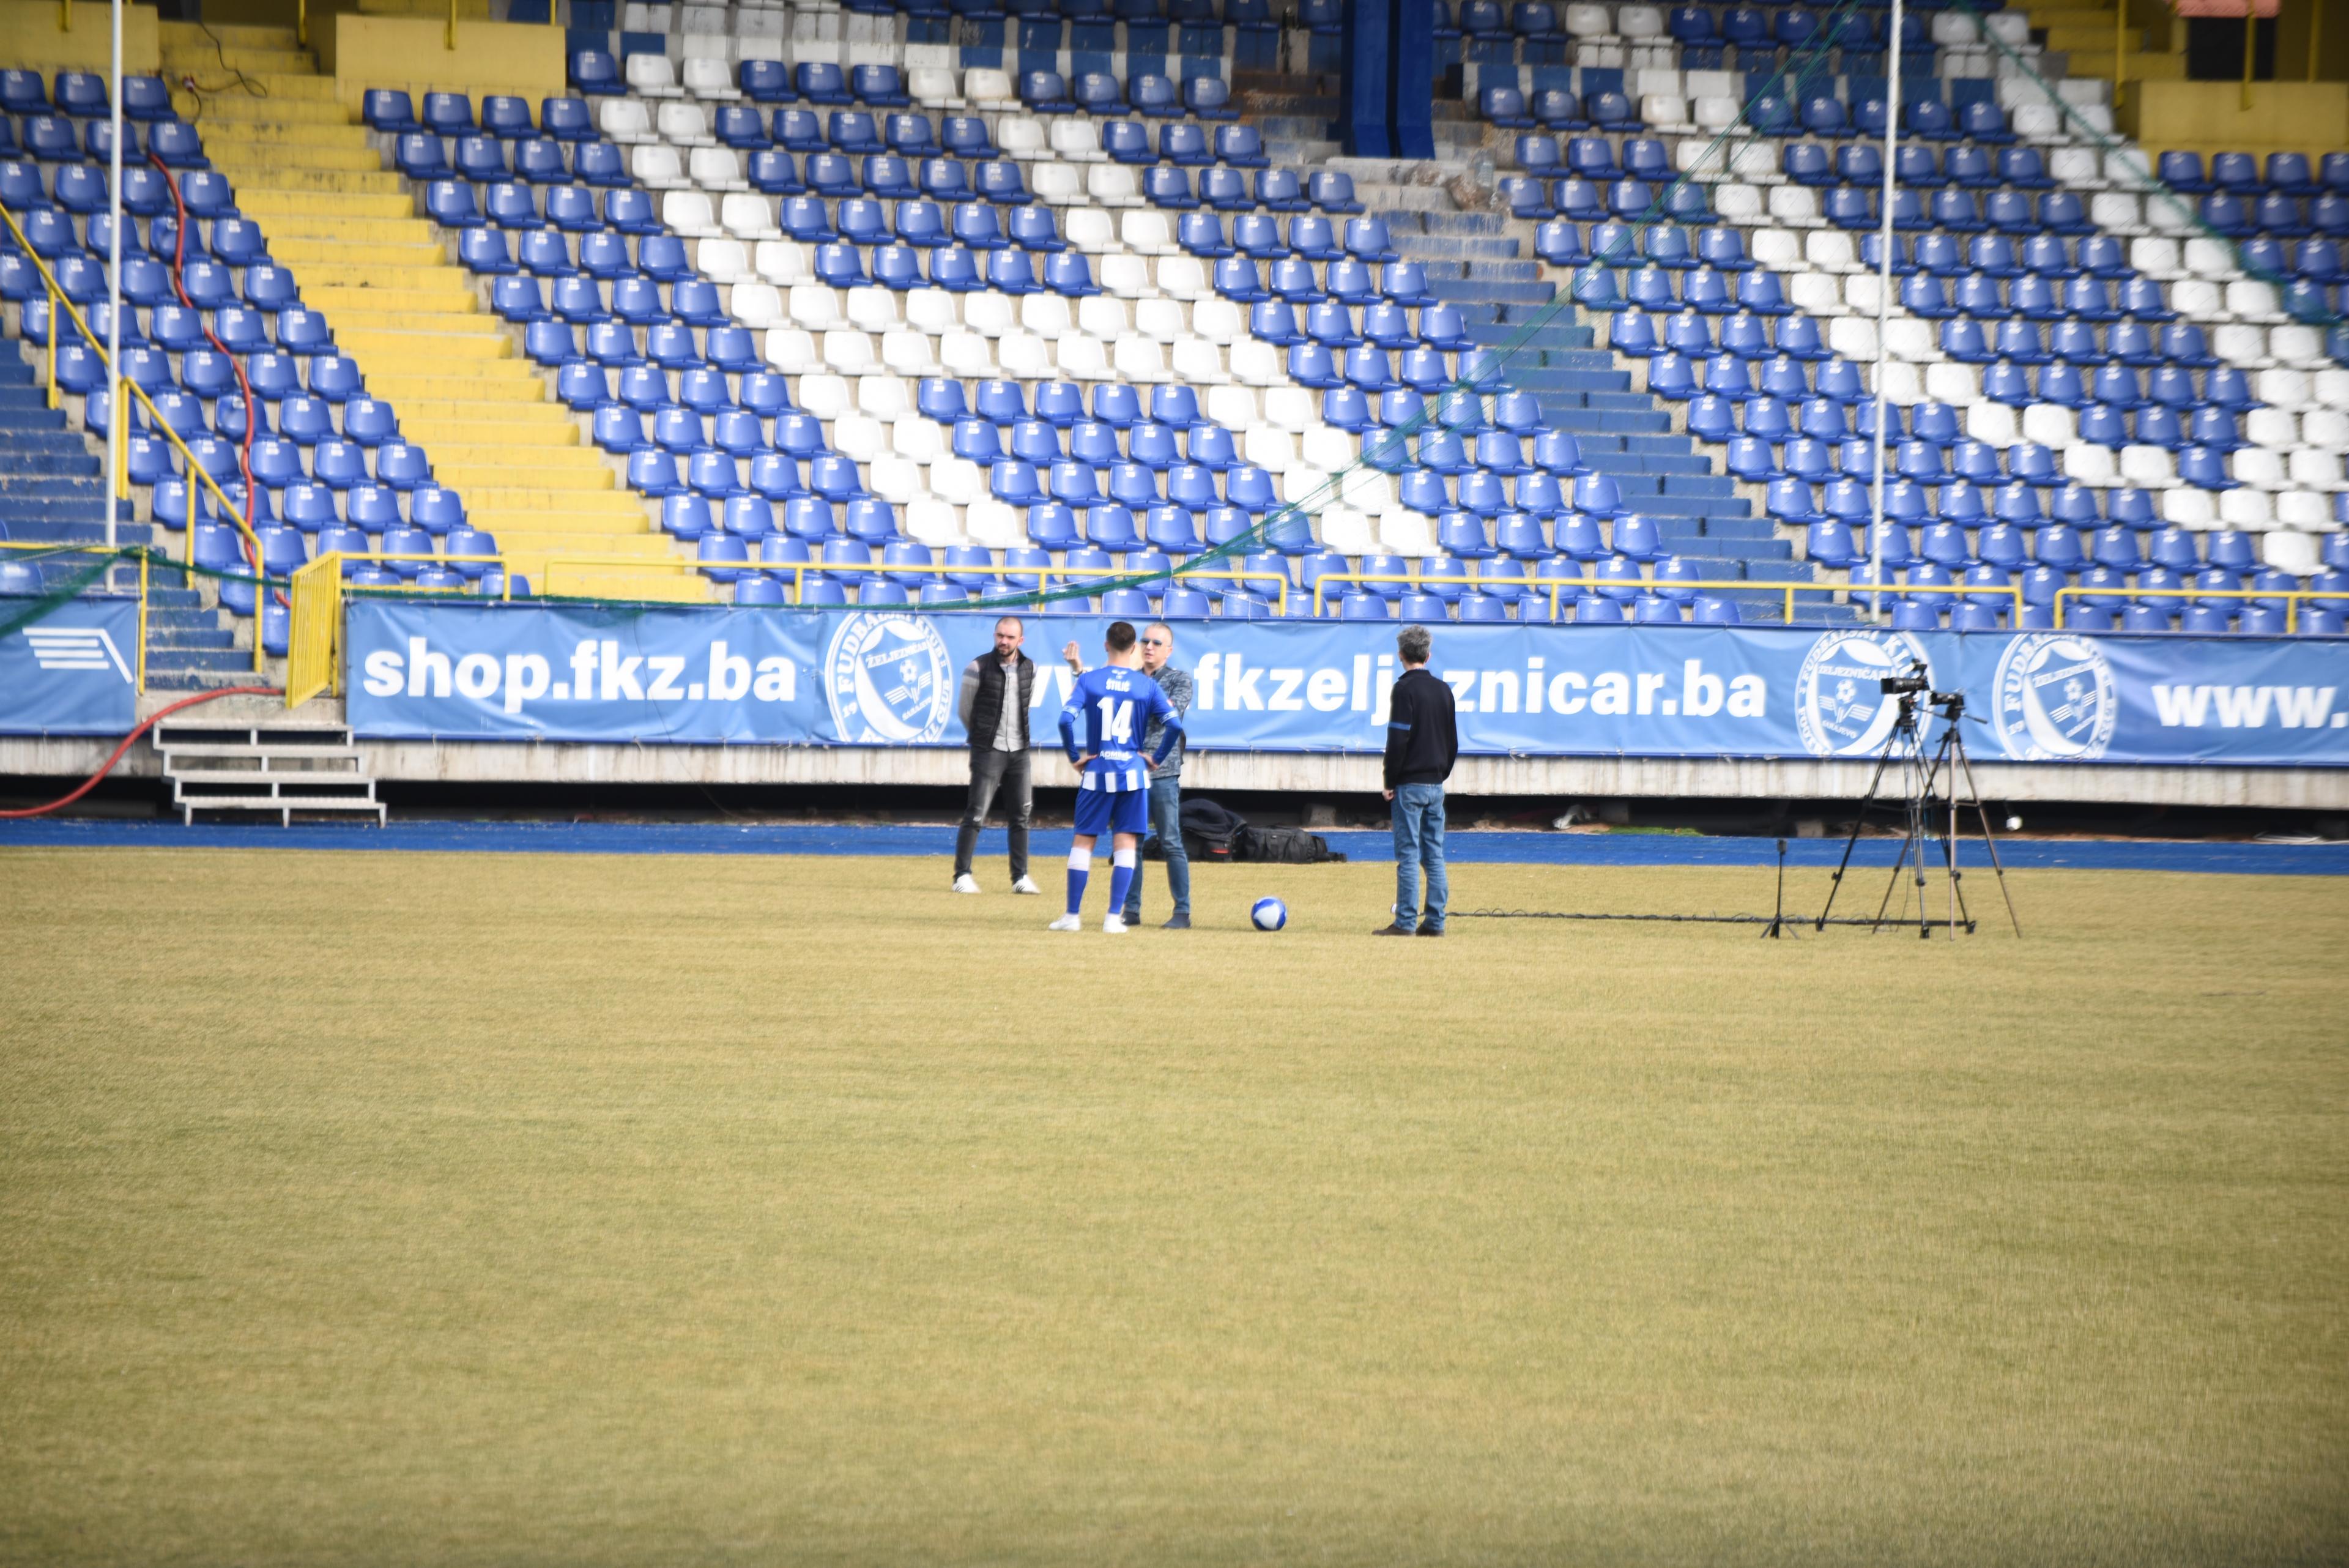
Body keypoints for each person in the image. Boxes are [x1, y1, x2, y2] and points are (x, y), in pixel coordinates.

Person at [1050, 620, 1183, 934]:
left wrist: (1074, 757)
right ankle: (1113, 917)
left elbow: (1064, 720)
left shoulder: (1090, 681)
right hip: (1133, 775)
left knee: (1084, 842)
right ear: (1134, 648)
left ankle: (1072, 916)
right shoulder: (1147, 686)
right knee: (1126, 843)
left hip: (1097, 772)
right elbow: (1174, 726)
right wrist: (1155, 759)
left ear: (1106, 645)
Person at [1375, 623, 1457, 937]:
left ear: (1401, 655)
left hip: (1409, 784)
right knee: (1434, 855)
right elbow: (1452, 742)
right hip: (1436, 784)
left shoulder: (1404, 689)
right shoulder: (1444, 689)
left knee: (1408, 854)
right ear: (1428, 654)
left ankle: (1406, 921)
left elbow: (1398, 739)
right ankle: (1436, 922)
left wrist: (1390, 780)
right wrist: (1440, 774)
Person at [952, 615, 1042, 896]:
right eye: (1000, 635)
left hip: (1020, 752)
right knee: (976, 814)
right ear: (995, 636)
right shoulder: (977, 667)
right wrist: (983, 740)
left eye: (1010, 637)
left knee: (1021, 816)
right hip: (988, 751)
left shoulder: (1030, 668)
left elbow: (1025, 707)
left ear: (1021, 641)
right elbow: (965, 712)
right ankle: (962, 875)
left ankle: (1020, 877)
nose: (1004, 641)